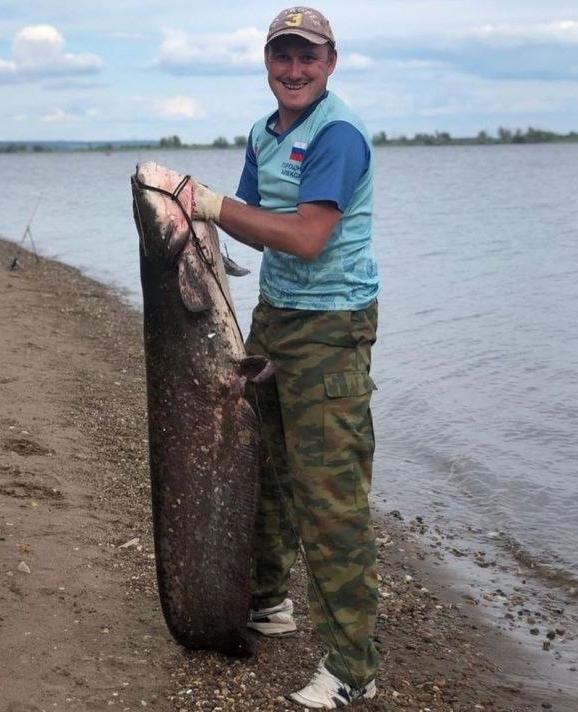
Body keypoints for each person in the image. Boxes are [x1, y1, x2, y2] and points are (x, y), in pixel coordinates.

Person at [190, 6, 380, 709]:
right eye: (283, 56)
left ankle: (354, 667)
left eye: (309, 57)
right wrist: (190, 223)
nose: (295, 70)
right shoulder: (261, 133)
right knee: (262, 464)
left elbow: (303, 238)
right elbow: (248, 220)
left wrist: (206, 204)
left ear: (331, 63)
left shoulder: (337, 134)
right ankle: (269, 601)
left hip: (332, 326)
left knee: (329, 496)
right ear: (267, 63)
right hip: (276, 316)